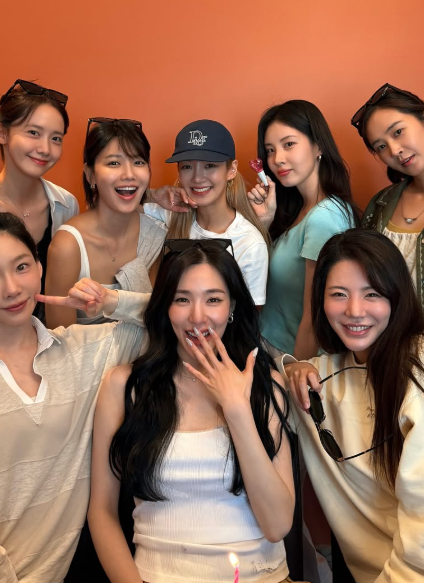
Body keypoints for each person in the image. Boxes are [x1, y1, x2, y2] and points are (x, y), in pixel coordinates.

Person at [0, 209, 148, 583]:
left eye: (21, 267)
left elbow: (179, 320)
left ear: (40, 267)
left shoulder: (85, 352)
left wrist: (109, 301)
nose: (11, 288)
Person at [87, 239, 297, 583]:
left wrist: (236, 409)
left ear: (232, 307)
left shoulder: (265, 384)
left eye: (213, 299)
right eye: (181, 299)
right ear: (164, 308)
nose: (197, 317)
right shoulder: (124, 386)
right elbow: (102, 512)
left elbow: (277, 525)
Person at [282, 229, 424, 583]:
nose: (354, 311)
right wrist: (289, 366)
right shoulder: (323, 376)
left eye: (372, 293)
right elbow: (260, 379)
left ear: (396, 296)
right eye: (338, 294)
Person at [248, 100, 359, 359]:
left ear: (318, 145)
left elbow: (313, 317)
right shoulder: (300, 210)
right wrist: (264, 223)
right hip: (269, 345)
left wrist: (298, 370)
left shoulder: (324, 218)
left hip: (290, 356)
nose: (277, 159)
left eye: (289, 144)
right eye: (270, 150)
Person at [0, 80, 79, 306]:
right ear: (2, 133)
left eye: (56, 138)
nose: (45, 149)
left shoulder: (66, 204)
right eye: (33, 132)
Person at [352, 83, 424, 342]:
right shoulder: (380, 205)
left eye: (398, 132)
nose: (394, 150)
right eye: (381, 146)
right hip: (388, 355)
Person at [45, 118, 165, 328]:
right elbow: (60, 338)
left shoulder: (154, 235)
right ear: (90, 174)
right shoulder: (68, 245)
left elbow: (161, 316)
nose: (129, 174)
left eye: (138, 162)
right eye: (114, 163)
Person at [144, 119, 270, 307]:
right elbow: (114, 206)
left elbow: (249, 319)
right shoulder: (171, 214)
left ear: (231, 170)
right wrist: (153, 195)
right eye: (187, 166)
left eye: (210, 165)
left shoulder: (250, 243)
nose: (197, 178)